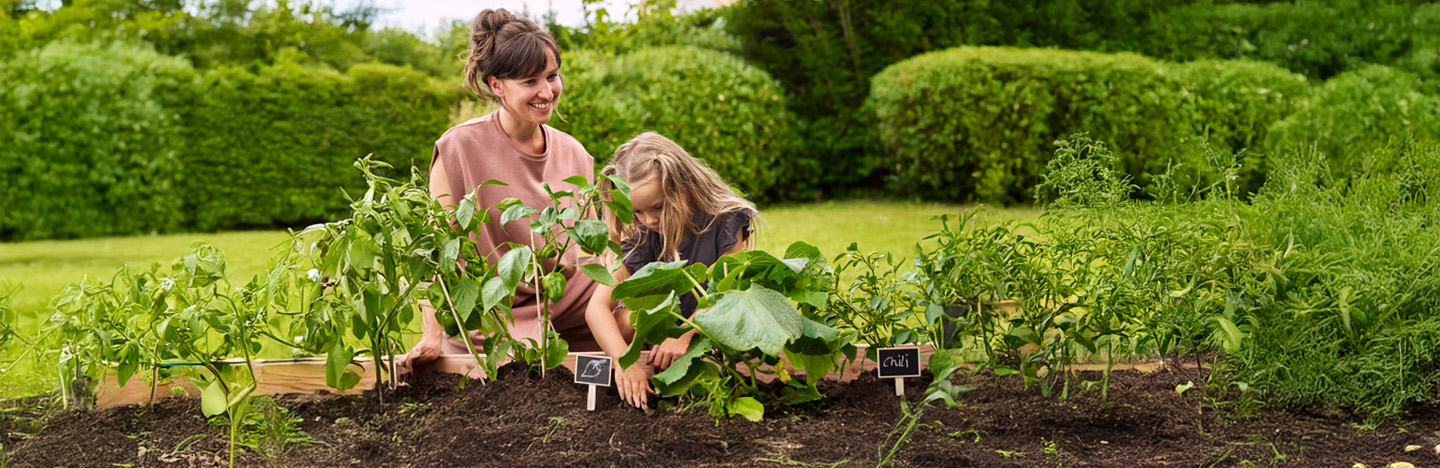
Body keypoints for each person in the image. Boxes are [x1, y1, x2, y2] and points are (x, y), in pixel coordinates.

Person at [397, 9, 602, 373]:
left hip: (564, 298)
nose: (546, 91)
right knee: (523, 370)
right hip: (497, 307)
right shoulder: (458, 148)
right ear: (496, 85)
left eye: (552, 76)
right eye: (530, 81)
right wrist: (431, 336)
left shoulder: (574, 152)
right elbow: (436, 252)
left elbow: (589, 252)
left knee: (634, 302)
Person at [586, 132, 760, 409]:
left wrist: (687, 335)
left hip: (713, 331)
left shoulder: (724, 219)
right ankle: (654, 375)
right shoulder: (640, 236)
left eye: (659, 207)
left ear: (684, 187)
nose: (649, 220)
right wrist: (625, 362)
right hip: (661, 343)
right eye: (636, 212)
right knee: (625, 318)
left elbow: (728, 295)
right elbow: (596, 308)